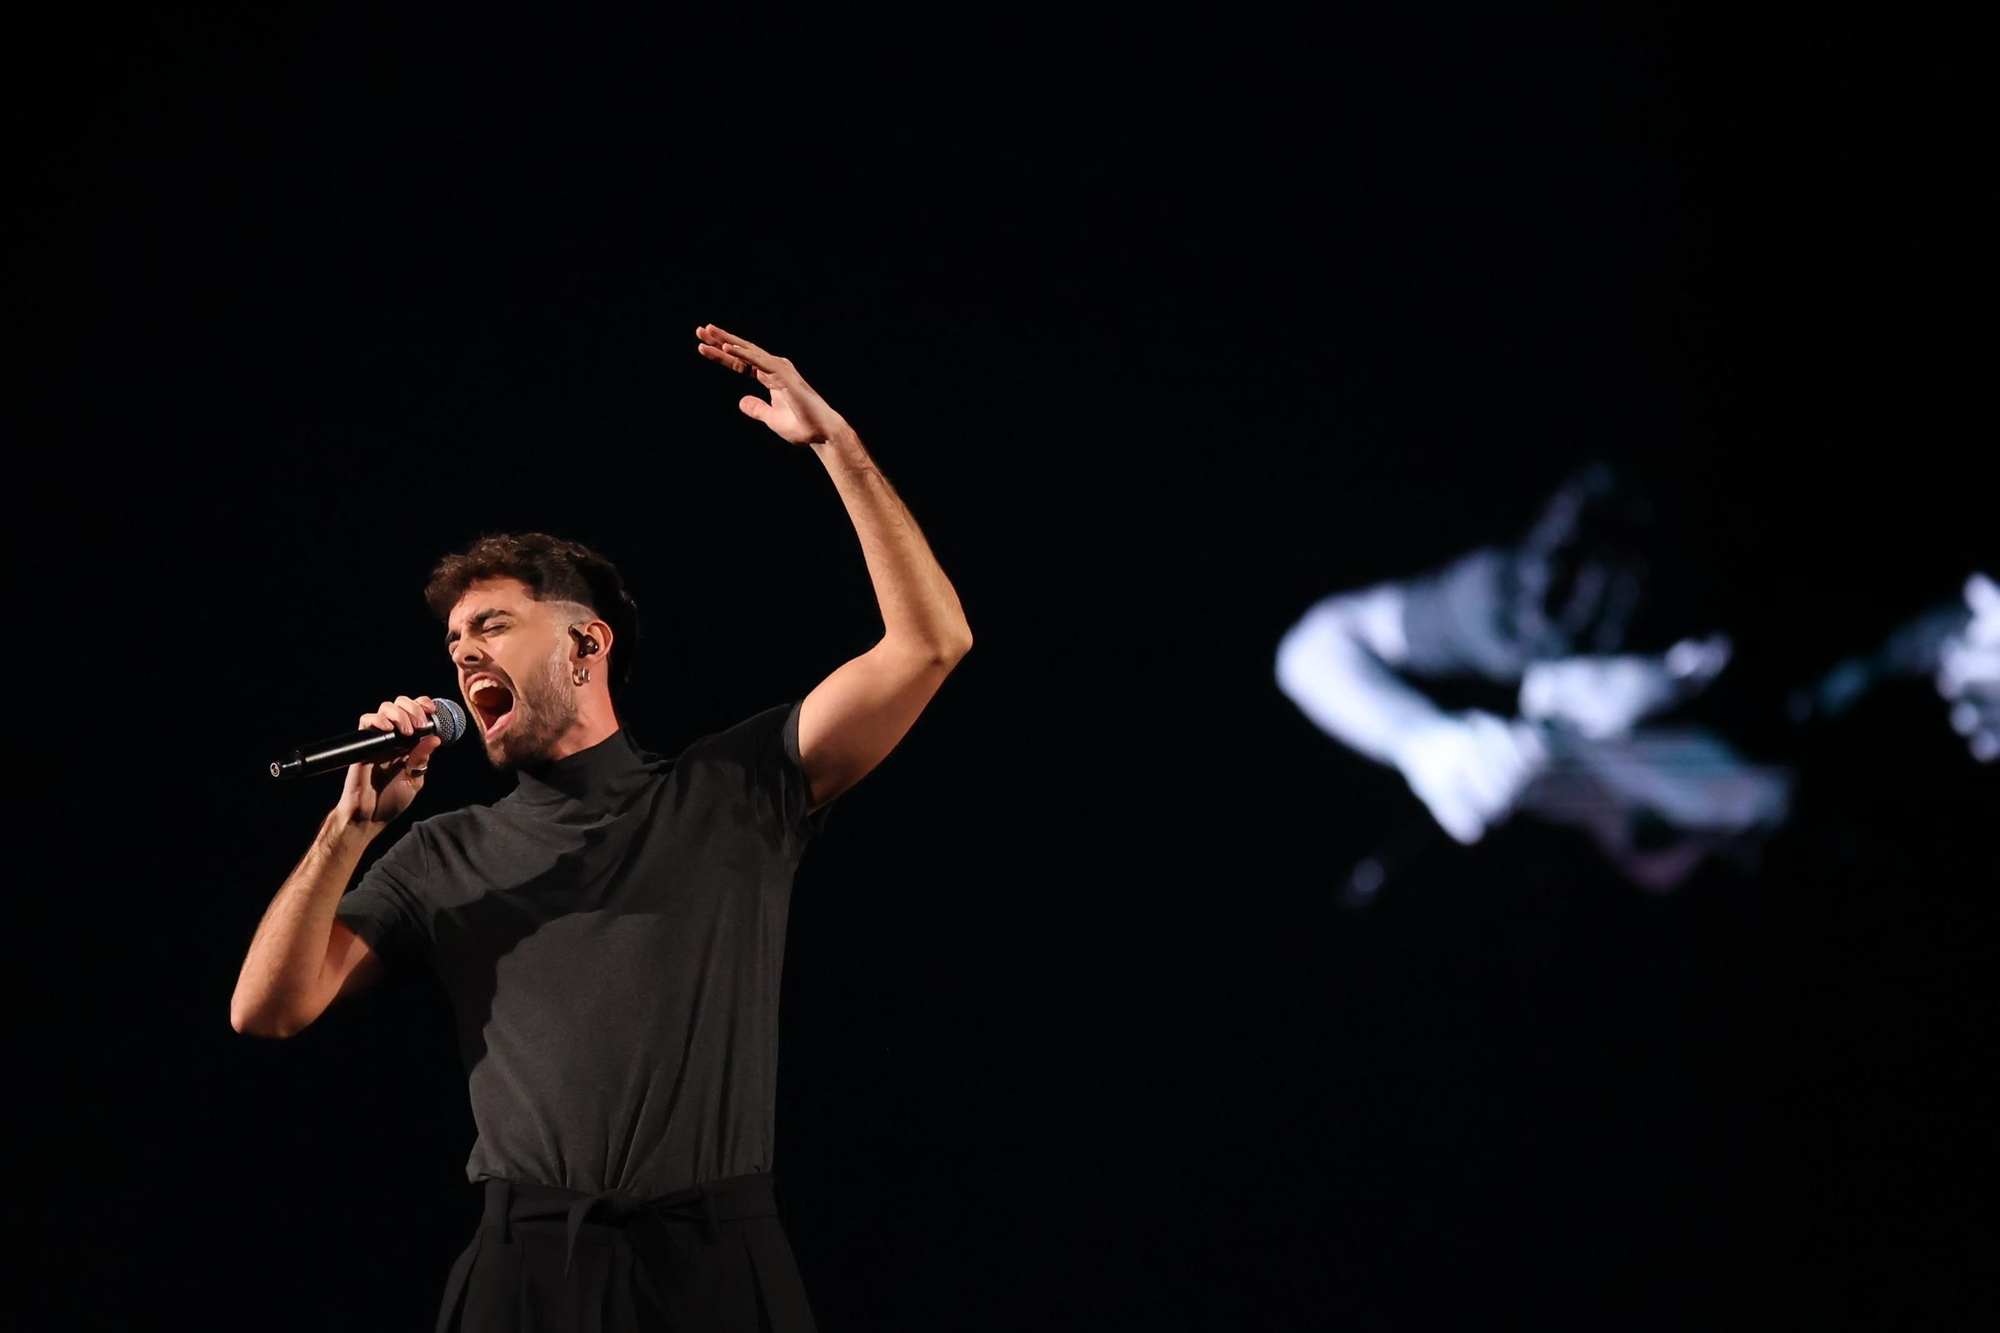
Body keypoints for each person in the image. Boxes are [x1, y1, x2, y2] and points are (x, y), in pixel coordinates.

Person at [229, 325, 972, 1332]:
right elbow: (266, 1009)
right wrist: (347, 830)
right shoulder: (445, 855)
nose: (462, 655)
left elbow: (930, 642)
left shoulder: (732, 787)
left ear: (586, 640)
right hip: (528, 1269)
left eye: (491, 624)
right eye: (451, 643)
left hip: (715, 1261)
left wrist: (833, 443)